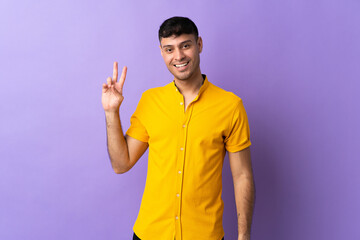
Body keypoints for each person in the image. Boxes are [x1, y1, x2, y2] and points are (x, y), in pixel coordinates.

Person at [101, 16, 255, 240]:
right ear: (162, 52)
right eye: (169, 49)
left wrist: (243, 236)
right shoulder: (150, 101)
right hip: (150, 233)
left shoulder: (230, 106)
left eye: (185, 45)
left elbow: (242, 176)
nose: (179, 56)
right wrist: (111, 112)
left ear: (199, 44)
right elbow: (121, 164)